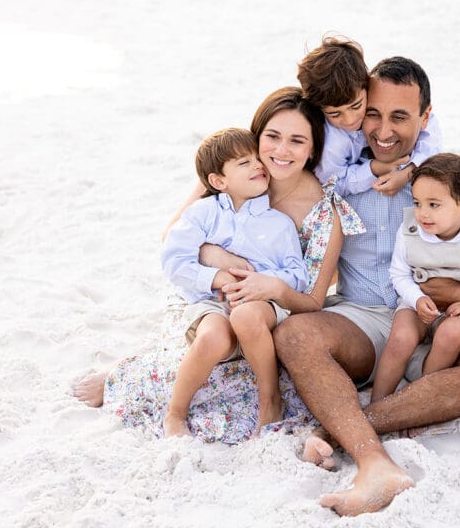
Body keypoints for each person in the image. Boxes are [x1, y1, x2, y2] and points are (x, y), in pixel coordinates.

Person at [274, 56, 460, 516]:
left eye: (400, 116)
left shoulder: (452, 183)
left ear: (426, 118)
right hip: (364, 318)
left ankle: (344, 429)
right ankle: (374, 461)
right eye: (373, 113)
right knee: (295, 335)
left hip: (442, 324)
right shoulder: (340, 176)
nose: (383, 130)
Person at [70, 87, 365, 442]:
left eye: (297, 141)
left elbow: (311, 298)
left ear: (312, 149)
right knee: (206, 344)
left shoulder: (321, 210)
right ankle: (135, 373)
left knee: (236, 367)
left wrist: (267, 286)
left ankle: (244, 393)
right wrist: (218, 261)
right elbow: (174, 241)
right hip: (207, 294)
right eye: (271, 137)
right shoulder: (228, 175)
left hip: (271, 312)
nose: (280, 151)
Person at [161, 127, 308, 436]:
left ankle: (269, 399)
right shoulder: (203, 213)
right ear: (218, 181)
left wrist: (262, 282)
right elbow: (174, 261)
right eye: (244, 163)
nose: (258, 165)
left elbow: (298, 276)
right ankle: (175, 413)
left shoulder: (279, 223)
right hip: (211, 302)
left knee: (245, 314)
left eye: (257, 159)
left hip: (261, 306)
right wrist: (215, 277)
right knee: (213, 337)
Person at [369, 153, 460, 403]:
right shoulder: (410, 231)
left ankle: (422, 401)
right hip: (418, 302)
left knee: (449, 335)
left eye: (433, 204)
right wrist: (416, 299)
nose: (422, 213)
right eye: (417, 203)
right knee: (401, 338)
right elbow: (399, 273)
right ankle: (378, 402)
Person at [297, 35, 442, 197]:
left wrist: (409, 171)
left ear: (365, 84)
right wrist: (375, 168)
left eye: (357, 106)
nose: (350, 120)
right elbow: (332, 185)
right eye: (335, 113)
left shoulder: (376, 93)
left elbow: (430, 135)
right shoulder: (332, 143)